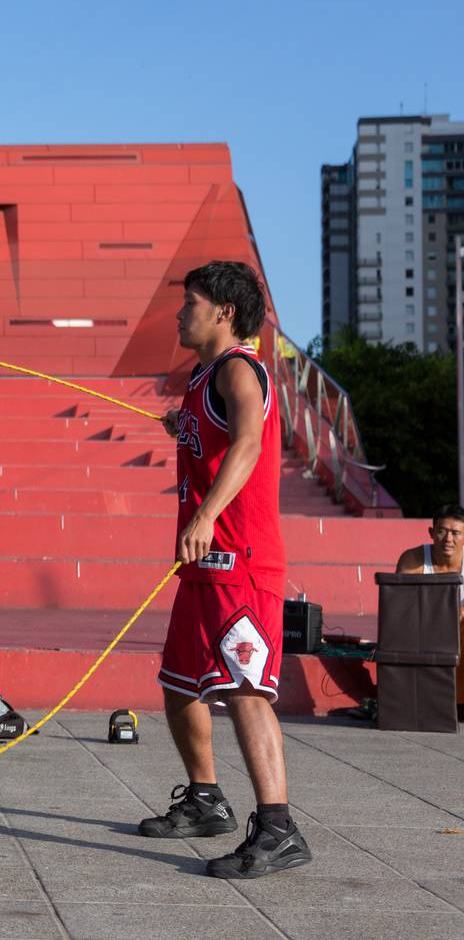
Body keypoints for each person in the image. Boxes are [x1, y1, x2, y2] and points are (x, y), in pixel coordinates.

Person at [141, 261, 312, 879]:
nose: (179, 314)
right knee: (179, 682)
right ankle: (206, 799)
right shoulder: (203, 378)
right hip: (203, 568)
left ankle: (278, 828)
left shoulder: (240, 368)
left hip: (241, 560)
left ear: (224, 313)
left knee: (244, 688)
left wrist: (207, 514)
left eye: (189, 303)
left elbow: (248, 442)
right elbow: (215, 437)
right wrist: (181, 427)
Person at [393, 504, 464, 711]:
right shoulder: (412, 560)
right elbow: (398, 607)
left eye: (456, 533)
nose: (448, 539)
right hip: (422, 630)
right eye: (442, 531)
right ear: (431, 533)